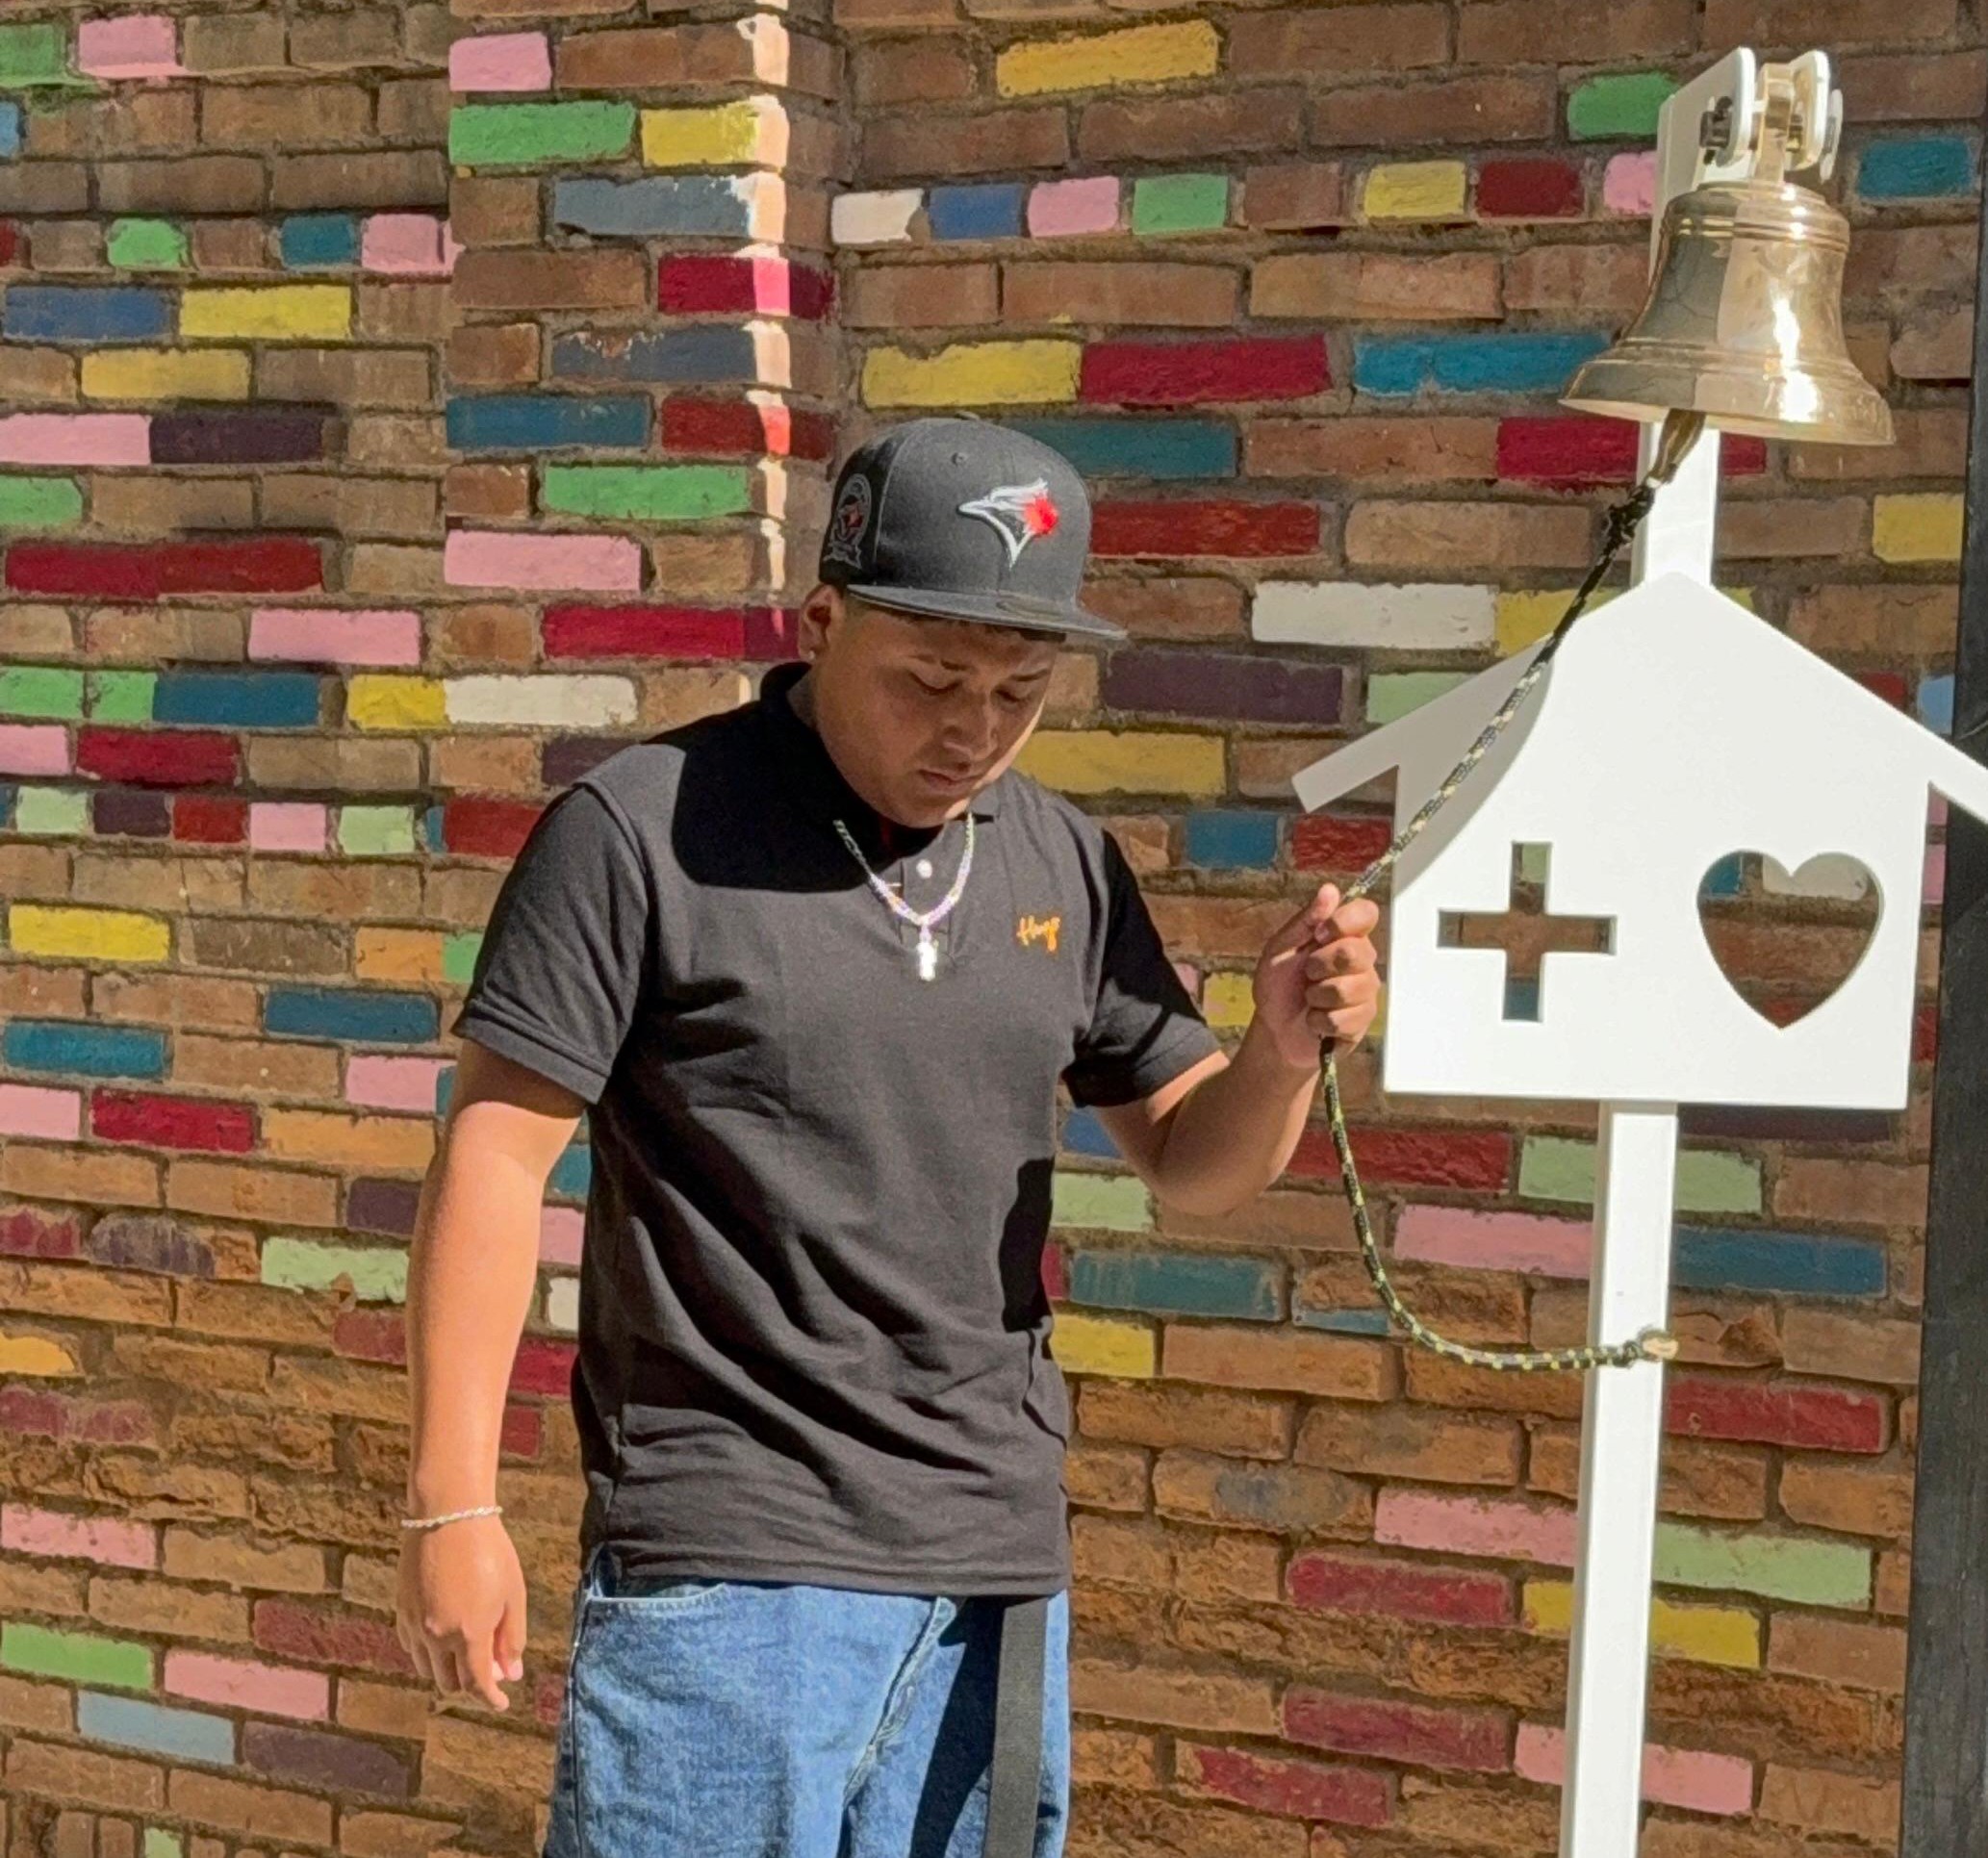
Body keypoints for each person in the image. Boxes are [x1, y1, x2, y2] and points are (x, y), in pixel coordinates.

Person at [393, 416, 1381, 1858]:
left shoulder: (1063, 861)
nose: (972, 729)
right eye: (930, 680)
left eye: (1019, 691)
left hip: (993, 1571)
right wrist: (450, 1506)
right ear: (821, 623)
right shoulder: (641, 832)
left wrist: (1280, 1053)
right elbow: (493, 1155)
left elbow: (1194, 1159)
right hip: (729, 1574)